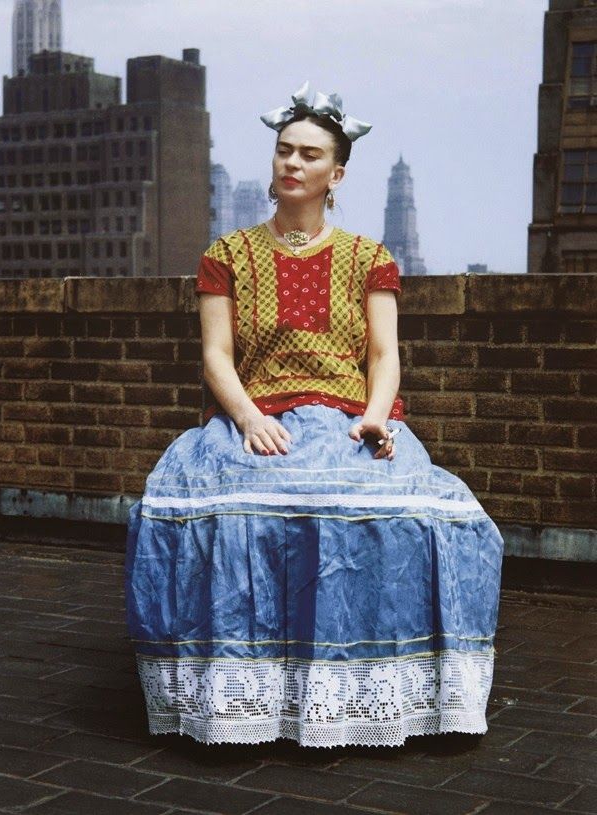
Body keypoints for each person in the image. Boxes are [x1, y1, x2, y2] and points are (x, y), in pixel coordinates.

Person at [125, 81, 504, 749]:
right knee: (235, 512)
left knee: (412, 515)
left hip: (352, 416)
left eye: (308, 154)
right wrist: (245, 417)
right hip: (259, 412)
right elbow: (216, 356)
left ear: (337, 173)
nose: (291, 164)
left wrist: (379, 416)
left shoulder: (369, 259)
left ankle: (361, 691)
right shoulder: (228, 256)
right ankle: (250, 697)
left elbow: (384, 355)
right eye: (283, 151)